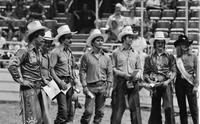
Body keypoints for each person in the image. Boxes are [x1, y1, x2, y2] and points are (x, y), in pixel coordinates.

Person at [7, 20, 48, 124]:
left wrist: (43, 79)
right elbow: (12, 65)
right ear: (34, 36)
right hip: (29, 89)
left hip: (40, 88)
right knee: (31, 119)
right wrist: (21, 80)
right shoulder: (24, 51)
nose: (44, 38)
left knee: (41, 119)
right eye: (41, 35)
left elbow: (37, 69)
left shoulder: (38, 51)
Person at [79, 29, 112, 124]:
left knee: (100, 112)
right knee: (88, 111)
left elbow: (110, 73)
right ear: (93, 43)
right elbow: (82, 72)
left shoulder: (107, 57)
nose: (100, 42)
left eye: (101, 40)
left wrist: (108, 88)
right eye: (98, 40)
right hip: (90, 87)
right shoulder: (86, 56)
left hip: (102, 86)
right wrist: (84, 86)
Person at [111, 26, 143, 124]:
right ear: (124, 38)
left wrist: (137, 75)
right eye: (129, 37)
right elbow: (112, 68)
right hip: (120, 82)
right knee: (118, 108)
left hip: (133, 81)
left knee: (135, 109)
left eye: (132, 37)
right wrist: (123, 74)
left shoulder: (136, 53)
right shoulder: (116, 52)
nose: (131, 39)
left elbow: (140, 68)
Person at [143, 31, 176, 124]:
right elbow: (145, 73)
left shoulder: (170, 56)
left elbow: (174, 71)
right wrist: (150, 81)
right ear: (155, 44)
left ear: (164, 44)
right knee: (155, 108)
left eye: (162, 42)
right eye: (158, 42)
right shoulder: (149, 58)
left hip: (166, 84)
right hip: (155, 85)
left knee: (169, 107)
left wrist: (168, 81)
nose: (160, 44)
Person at [50, 25, 78, 124]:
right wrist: (59, 82)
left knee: (69, 110)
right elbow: (51, 69)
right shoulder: (55, 52)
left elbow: (72, 66)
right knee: (63, 110)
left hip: (69, 82)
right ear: (62, 39)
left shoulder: (69, 52)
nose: (70, 40)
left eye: (71, 38)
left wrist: (74, 77)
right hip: (60, 82)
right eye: (68, 38)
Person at [173, 35, 199, 124]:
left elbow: (197, 72)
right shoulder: (176, 58)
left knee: (194, 108)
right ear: (179, 45)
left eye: (186, 43)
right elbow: (174, 71)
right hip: (179, 84)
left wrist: (196, 85)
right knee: (182, 108)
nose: (185, 45)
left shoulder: (194, 56)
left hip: (190, 83)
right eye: (182, 44)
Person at [40, 30, 54, 124]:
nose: (47, 45)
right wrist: (43, 79)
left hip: (48, 85)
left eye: (49, 43)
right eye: (45, 42)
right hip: (39, 85)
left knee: (47, 109)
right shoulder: (37, 55)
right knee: (42, 110)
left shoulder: (49, 55)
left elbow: (50, 70)